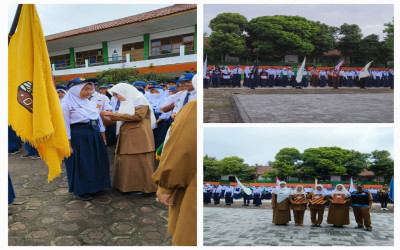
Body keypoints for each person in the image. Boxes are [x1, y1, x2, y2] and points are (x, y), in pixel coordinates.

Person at [152, 97, 196, 246]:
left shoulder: (194, 106)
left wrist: (165, 186)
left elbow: (180, 151)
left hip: (191, 180)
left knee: (189, 234)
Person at [100, 83, 157, 195]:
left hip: (139, 135)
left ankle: (143, 188)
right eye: (115, 95)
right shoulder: (124, 103)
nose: (117, 97)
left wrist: (111, 114)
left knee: (140, 161)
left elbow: (138, 116)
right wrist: (104, 118)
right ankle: (127, 187)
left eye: (117, 94)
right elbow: (121, 119)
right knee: (128, 162)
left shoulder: (139, 99)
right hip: (127, 135)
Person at [61, 77, 111, 201]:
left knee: (95, 161)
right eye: (85, 89)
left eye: (90, 89)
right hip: (78, 136)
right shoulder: (66, 105)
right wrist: (68, 145)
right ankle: (83, 190)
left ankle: (96, 186)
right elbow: (65, 126)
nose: (89, 92)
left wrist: (103, 138)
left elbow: (98, 122)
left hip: (94, 135)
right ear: (75, 90)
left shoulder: (91, 103)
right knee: (83, 163)